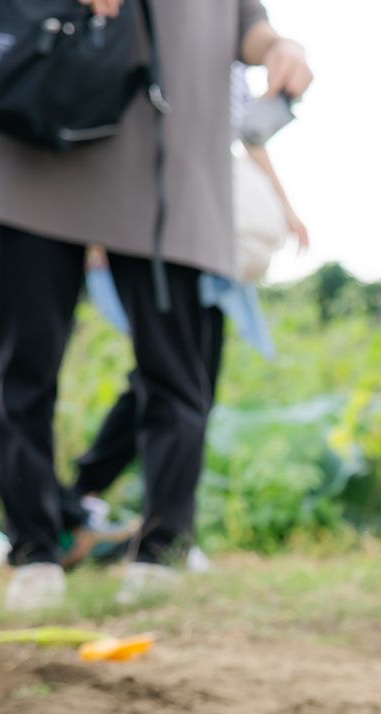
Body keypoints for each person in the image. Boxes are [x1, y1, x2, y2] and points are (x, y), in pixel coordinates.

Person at [0, 0, 312, 610]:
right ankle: (34, 551)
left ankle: (162, 549)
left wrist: (278, 48)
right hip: (39, 134)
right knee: (26, 366)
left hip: (167, 166)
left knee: (178, 370)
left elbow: (243, 22)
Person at [68, 65, 310, 574]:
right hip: (153, 226)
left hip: (213, 238)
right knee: (168, 384)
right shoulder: (152, 34)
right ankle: (133, 520)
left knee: (188, 387)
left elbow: (249, 135)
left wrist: (284, 208)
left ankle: (160, 523)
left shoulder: (225, 50)